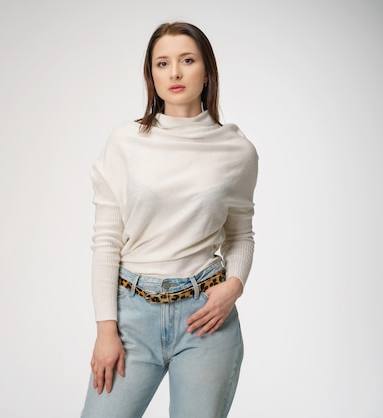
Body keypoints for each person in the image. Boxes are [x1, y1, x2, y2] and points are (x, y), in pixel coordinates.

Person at [80, 22, 258, 418]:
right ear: (152, 75)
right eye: (163, 63)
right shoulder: (126, 141)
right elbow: (107, 240)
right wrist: (106, 328)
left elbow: (241, 234)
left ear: (206, 70)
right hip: (132, 316)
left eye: (187, 60)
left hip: (206, 317)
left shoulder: (236, 150)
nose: (174, 72)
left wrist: (234, 287)